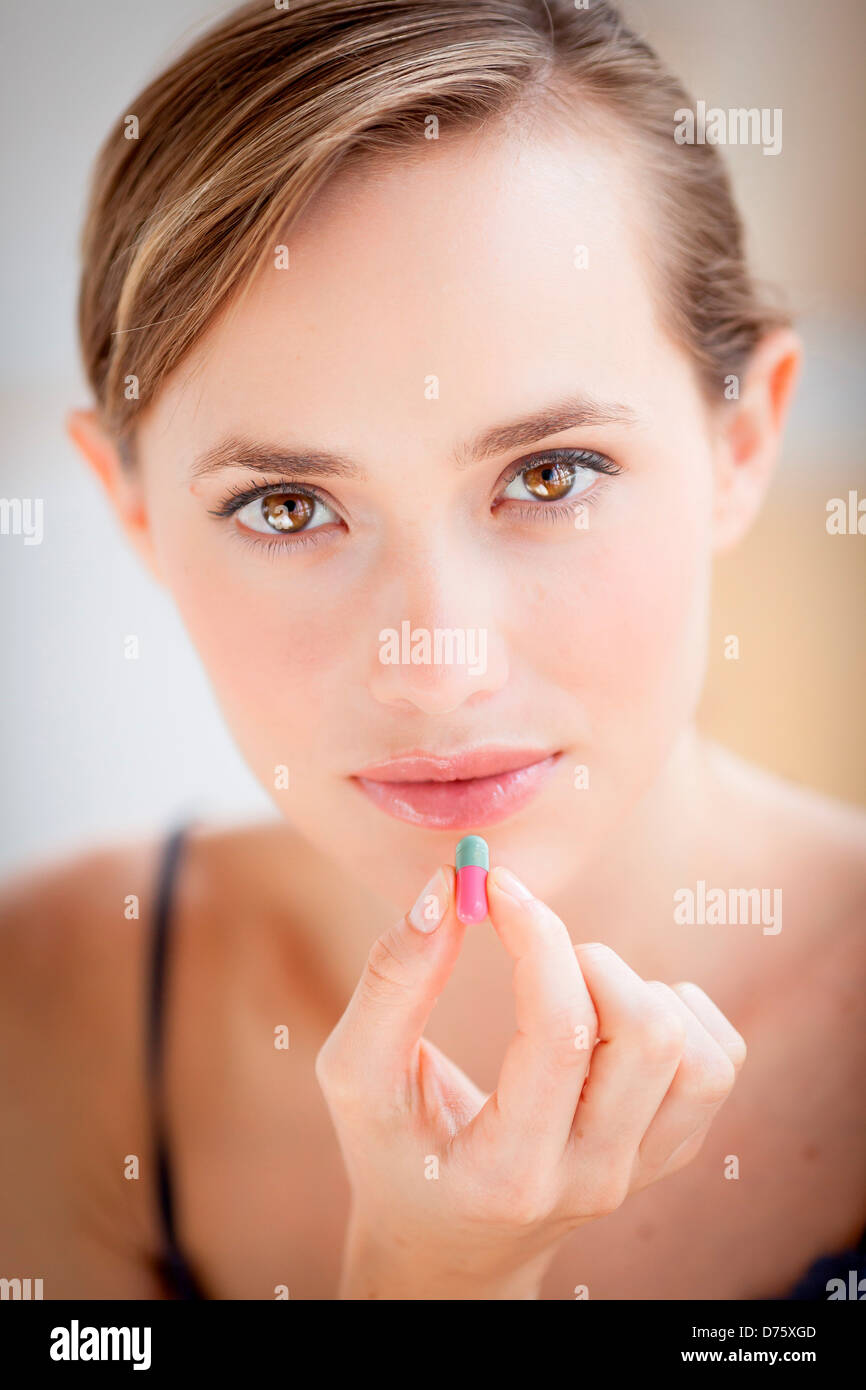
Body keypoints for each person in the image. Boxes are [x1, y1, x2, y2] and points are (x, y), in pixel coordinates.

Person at [1, 0, 864, 1300]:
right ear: (132, 511)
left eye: (552, 472)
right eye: (285, 506)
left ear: (742, 442)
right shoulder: (50, 1004)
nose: (437, 662)